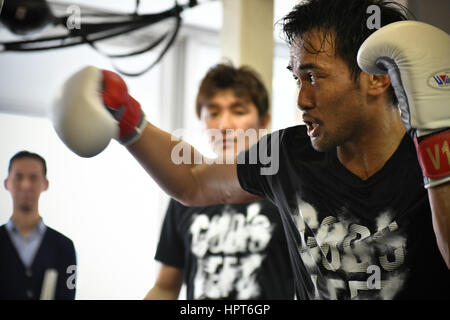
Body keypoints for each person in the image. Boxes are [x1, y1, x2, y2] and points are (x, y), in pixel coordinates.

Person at [53, 0, 450, 299]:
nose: (302, 99)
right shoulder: (290, 157)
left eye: (313, 76)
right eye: (296, 77)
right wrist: (129, 122)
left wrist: (437, 146)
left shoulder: (431, 156)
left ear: (376, 79)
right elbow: (193, 181)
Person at [144, 64, 294, 300]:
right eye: (213, 113)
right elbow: (165, 287)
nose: (224, 126)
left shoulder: (284, 192)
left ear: (263, 120)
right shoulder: (184, 195)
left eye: (238, 111)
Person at [0, 151, 77, 300]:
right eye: (19, 177)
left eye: (33, 178)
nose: (26, 185)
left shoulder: (65, 247)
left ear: (45, 184)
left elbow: (68, 295)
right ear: (7, 183)